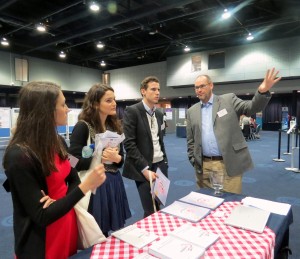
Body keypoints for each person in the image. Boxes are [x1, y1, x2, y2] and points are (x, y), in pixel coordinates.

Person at [2, 81, 106, 259]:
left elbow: (72, 175)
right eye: (63, 104)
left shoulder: (58, 141)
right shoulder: (19, 155)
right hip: (42, 240)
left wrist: (60, 202)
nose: (68, 109)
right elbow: (42, 215)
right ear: (46, 110)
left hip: (66, 223)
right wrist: (85, 187)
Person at [186, 68, 281, 194]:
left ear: (211, 85)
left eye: (202, 86)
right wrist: (194, 160)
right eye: (196, 87)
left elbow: (250, 107)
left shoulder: (228, 100)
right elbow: (191, 140)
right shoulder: (192, 111)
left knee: (229, 205)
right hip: (203, 166)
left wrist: (262, 91)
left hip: (227, 164)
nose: (199, 90)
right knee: (205, 203)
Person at [68, 83, 131, 237]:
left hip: (113, 182)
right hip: (95, 185)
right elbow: (71, 161)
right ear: (96, 104)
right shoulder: (83, 127)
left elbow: (121, 159)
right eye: (108, 100)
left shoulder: (114, 126)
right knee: (96, 232)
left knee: (110, 228)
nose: (114, 104)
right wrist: (98, 158)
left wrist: (117, 158)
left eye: (114, 100)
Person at [123, 76, 168, 218]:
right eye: (153, 89)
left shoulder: (159, 113)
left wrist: (165, 162)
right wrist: (144, 169)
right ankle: (149, 237)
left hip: (161, 165)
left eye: (158, 89)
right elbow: (129, 143)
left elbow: (160, 140)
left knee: (159, 204)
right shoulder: (133, 111)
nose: (157, 93)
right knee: (150, 210)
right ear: (143, 91)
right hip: (143, 168)